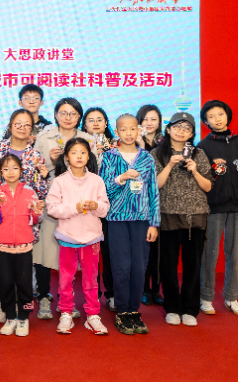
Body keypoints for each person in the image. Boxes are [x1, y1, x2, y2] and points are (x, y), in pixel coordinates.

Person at [0, 109, 50, 323]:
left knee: (21, 271)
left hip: (22, 224)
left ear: (32, 129)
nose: (22, 127)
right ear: (10, 125)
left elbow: (40, 192)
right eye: (17, 123)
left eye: (27, 124)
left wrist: (44, 177)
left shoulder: (35, 156)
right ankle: (2, 305)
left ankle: (21, 309)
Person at [197, 100, 238, 317]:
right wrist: (214, 171)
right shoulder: (203, 146)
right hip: (213, 205)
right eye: (211, 116)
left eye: (220, 114)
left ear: (227, 116)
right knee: (210, 253)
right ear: (206, 122)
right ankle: (206, 297)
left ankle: (231, 297)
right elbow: (199, 177)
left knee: (233, 253)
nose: (217, 119)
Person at [99, 114, 160, 335]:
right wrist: (122, 177)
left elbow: (153, 191)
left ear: (139, 130)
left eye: (132, 129)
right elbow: (103, 189)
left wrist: (154, 223)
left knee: (139, 267)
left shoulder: (146, 158)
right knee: (121, 266)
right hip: (116, 219)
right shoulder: (109, 157)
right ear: (116, 132)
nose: (128, 133)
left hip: (142, 220)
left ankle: (134, 310)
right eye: (123, 129)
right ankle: (122, 311)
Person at [33, 97, 93, 320]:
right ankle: (43, 297)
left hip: (77, 204)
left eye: (73, 114)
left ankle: (65, 299)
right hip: (51, 201)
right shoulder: (44, 137)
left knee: (70, 253)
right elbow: (34, 169)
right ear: (56, 114)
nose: (68, 118)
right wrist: (50, 161)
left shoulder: (87, 139)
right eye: (63, 113)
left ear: (79, 117)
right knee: (44, 250)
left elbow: (93, 168)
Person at [150, 113, 212, 327]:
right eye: (177, 127)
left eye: (187, 128)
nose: (181, 131)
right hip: (168, 216)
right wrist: (169, 165)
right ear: (168, 129)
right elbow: (155, 185)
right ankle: (172, 307)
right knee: (168, 265)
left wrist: (195, 170)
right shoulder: (157, 153)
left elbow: (208, 186)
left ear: (192, 133)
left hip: (195, 217)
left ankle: (190, 309)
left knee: (193, 266)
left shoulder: (199, 154)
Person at [47, 138, 110, 335]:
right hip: (68, 237)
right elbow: (52, 209)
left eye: (83, 152)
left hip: (91, 238)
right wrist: (75, 208)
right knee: (66, 279)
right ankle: (66, 312)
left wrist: (96, 206)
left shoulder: (97, 181)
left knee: (91, 280)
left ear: (88, 156)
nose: (79, 156)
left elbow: (105, 209)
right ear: (67, 157)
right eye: (74, 152)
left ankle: (93, 314)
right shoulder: (59, 181)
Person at [0, 154, 43, 336]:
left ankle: (24, 317)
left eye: (14, 168)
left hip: (24, 247)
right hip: (2, 247)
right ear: (0, 172)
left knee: (25, 284)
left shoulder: (29, 192)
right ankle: (10, 316)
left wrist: (37, 212)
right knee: (5, 283)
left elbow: (34, 219)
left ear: (21, 170)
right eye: (6, 169)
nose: (10, 172)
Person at [81, 107, 116, 311]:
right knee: (90, 255)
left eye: (99, 119)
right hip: (87, 206)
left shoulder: (116, 146)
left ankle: (112, 293)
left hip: (111, 207)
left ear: (106, 123)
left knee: (110, 253)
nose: (95, 123)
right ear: (84, 124)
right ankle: (92, 294)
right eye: (90, 120)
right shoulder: (80, 147)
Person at [135, 104, 164, 306]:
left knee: (159, 251)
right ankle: (144, 289)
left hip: (163, 201)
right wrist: (140, 145)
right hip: (140, 202)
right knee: (143, 249)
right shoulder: (133, 142)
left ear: (160, 121)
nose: (149, 123)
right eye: (145, 119)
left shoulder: (166, 143)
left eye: (153, 119)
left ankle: (156, 289)